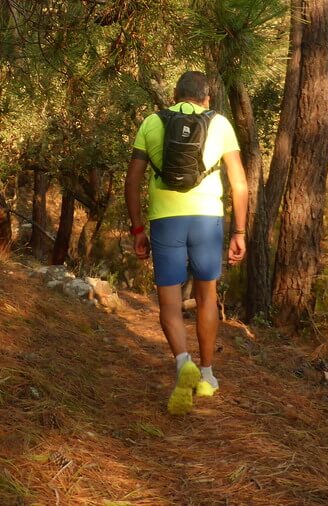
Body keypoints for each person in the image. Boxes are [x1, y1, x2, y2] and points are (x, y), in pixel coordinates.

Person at [125, 71, 248, 415]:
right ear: (206, 98)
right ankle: (207, 374)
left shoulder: (152, 122)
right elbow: (240, 184)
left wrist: (137, 230)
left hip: (166, 221)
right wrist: (239, 231)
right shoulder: (220, 124)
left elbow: (132, 181)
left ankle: (183, 364)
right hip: (208, 220)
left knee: (169, 300)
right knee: (207, 295)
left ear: (175, 95)